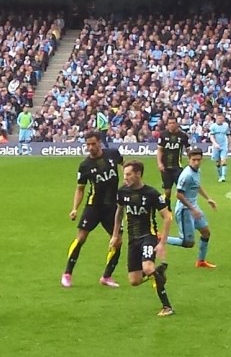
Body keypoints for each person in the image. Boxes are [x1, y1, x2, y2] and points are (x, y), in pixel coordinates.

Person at [109, 160, 175, 316]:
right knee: (135, 281)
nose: (125, 178)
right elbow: (119, 214)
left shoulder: (152, 194)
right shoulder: (122, 192)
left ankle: (167, 306)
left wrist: (162, 243)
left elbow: (167, 217)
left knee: (147, 267)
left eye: (128, 174)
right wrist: (115, 235)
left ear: (138, 174)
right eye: (124, 175)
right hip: (133, 240)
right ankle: (158, 272)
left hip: (148, 236)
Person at [62, 132, 124, 288]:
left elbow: (125, 164)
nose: (90, 147)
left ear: (100, 143)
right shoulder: (85, 165)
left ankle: (106, 276)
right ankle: (67, 273)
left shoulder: (113, 154)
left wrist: (126, 178)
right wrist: (74, 208)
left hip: (112, 207)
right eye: (88, 144)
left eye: (93, 144)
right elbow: (80, 189)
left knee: (117, 240)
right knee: (81, 238)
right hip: (94, 206)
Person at [166, 148, 218, 268]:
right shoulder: (186, 175)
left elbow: (197, 185)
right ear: (189, 160)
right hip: (185, 210)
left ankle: (201, 261)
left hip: (194, 207)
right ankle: (159, 238)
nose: (196, 162)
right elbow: (178, 195)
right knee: (187, 243)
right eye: (194, 160)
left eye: (198, 160)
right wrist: (192, 209)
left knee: (206, 232)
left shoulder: (197, 171)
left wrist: (208, 199)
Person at [157, 117, 190, 209]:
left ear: (177, 124)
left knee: (181, 188)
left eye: (173, 123)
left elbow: (188, 149)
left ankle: (183, 206)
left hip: (177, 167)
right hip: (165, 167)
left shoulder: (183, 136)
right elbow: (160, 150)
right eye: (170, 123)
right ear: (167, 125)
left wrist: (190, 159)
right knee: (167, 191)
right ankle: (167, 206)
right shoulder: (163, 135)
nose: (171, 125)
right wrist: (159, 163)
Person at [209, 113, 231, 182]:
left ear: (223, 119)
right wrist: (215, 144)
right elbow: (211, 137)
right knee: (217, 162)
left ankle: (223, 176)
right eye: (218, 118)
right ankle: (220, 175)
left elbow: (228, 136)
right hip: (216, 146)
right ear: (216, 119)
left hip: (224, 145)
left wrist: (230, 145)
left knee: (223, 160)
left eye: (221, 118)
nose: (220, 119)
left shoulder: (226, 126)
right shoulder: (213, 126)